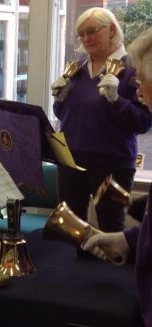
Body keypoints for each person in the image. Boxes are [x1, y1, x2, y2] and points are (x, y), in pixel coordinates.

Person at [82, 27, 152, 327]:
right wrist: (130, 239)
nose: (138, 89)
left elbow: (138, 121)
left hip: (112, 159)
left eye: (141, 83)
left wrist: (115, 99)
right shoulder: (79, 68)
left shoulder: (120, 72)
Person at [51, 7, 151, 233]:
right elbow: (68, 115)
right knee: (69, 229)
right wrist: (60, 101)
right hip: (71, 161)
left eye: (92, 31)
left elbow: (143, 122)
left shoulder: (132, 69)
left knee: (109, 232)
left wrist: (116, 100)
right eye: (82, 34)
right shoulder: (77, 69)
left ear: (112, 30)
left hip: (111, 165)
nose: (86, 39)